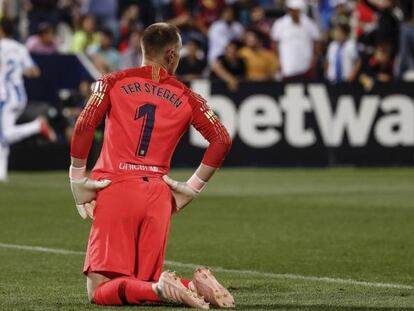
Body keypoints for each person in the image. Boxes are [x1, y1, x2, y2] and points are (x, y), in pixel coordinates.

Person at [69, 23, 234, 309]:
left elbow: (84, 125)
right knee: (141, 281)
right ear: (171, 55)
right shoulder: (187, 96)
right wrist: (191, 188)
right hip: (159, 194)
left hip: (115, 187)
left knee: (99, 289)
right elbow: (221, 140)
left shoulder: (112, 81)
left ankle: (163, 287)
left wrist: (76, 178)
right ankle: (194, 286)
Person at [0, 18, 56, 182]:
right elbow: (34, 71)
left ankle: (37, 126)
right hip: (18, 95)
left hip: (5, 95)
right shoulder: (19, 48)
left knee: (4, 134)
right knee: (4, 133)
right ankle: (2, 174)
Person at [270, 0, 321, 81]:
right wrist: (278, 60)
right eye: (292, 10)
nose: (294, 12)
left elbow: (316, 42)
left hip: (306, 66)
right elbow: (274, 43)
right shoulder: (279, 24)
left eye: (296, 10)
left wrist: (314, 59)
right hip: (287, 65)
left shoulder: (310, 24)